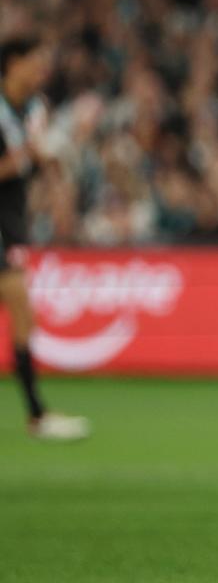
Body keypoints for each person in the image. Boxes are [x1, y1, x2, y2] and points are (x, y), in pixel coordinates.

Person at [0, 37, 91, 442]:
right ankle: (37, 415)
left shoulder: (34, 109)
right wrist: (23, 159)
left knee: (22, 313)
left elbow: (33, 161)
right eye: (33, 61)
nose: (41, 68)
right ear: (12, 64)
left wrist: (47, 172)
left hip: (11, 221)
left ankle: (37, 414)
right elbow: (19, 160)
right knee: (21, 306)